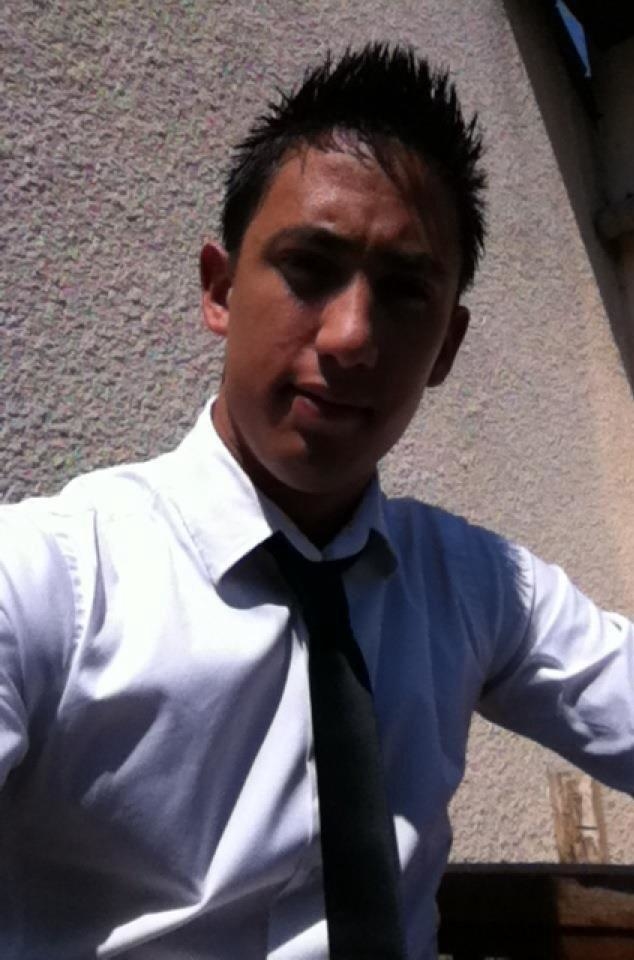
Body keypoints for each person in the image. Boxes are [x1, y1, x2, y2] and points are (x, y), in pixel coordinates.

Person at [0, 43, 632, 960]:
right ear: (221, 290)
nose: (351, 336)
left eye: (405, 292)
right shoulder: (48, 582)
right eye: (308, 267)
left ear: (447, 347)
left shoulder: (477, 588)